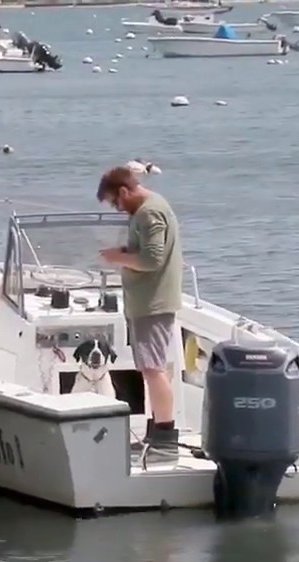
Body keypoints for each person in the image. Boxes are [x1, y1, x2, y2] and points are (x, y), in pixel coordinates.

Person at [95, 166, 184, 461]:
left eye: (114, 202)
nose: (117, 209)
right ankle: (155, 436)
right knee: (151, 368)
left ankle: (166, 440)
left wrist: (118, 257)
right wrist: (123, 250)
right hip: (146, 302)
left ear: (124, 191)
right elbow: (146, 250)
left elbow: (153, 259)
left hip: (152, 303)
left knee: (153, 370)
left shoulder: (148, 212)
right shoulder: (148, 209)